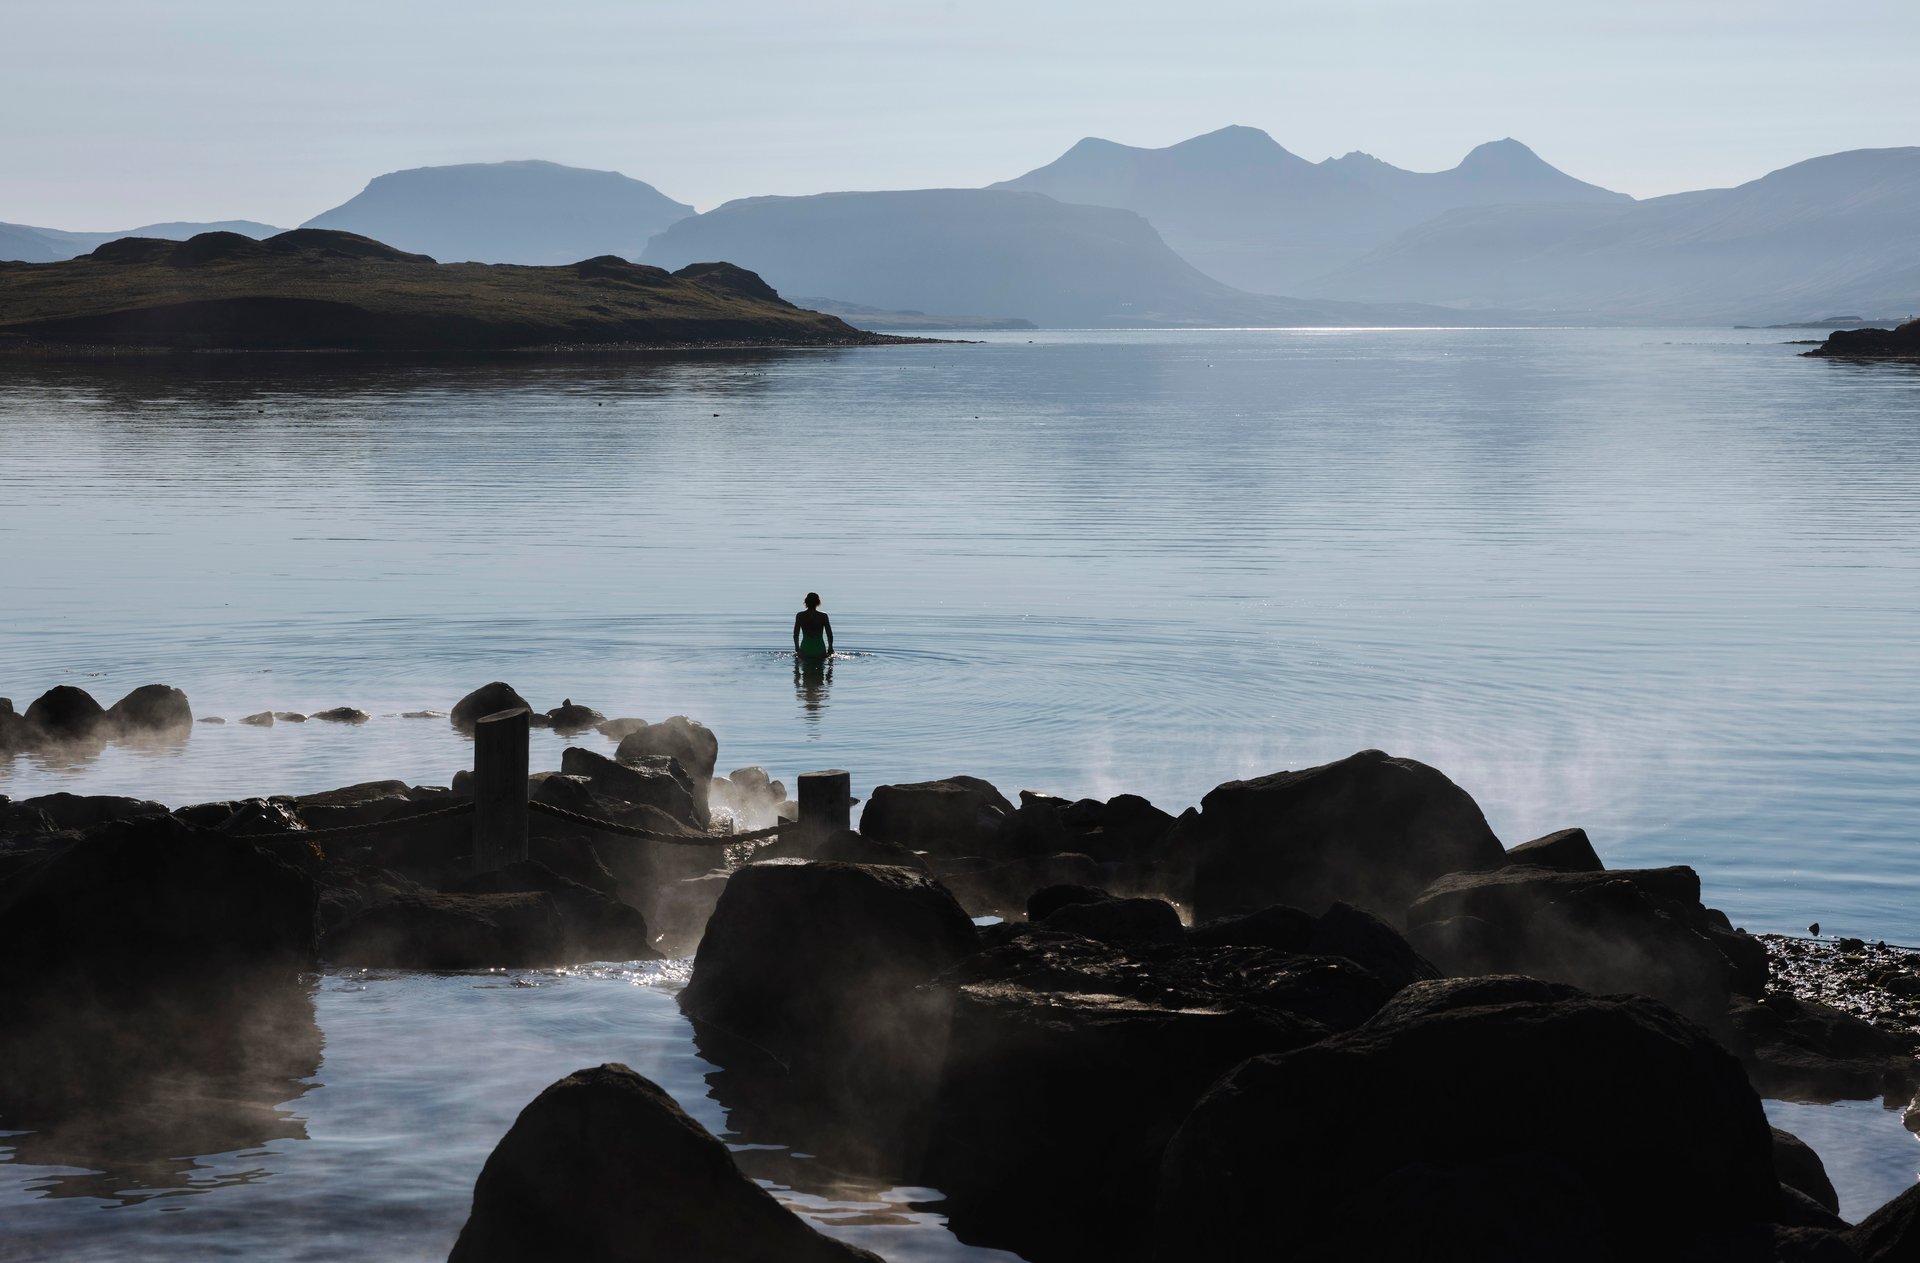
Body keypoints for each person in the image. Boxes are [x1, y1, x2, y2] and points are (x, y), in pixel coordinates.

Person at [793, 592, 833, 662]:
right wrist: (830, 647)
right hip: (820, 650)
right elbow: (829, 634)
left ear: (806, 602)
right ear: (818, 602)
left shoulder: (800, 616)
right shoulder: (823, 616)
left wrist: (797, 648)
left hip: (805, 650)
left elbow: (796, 634)